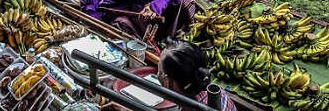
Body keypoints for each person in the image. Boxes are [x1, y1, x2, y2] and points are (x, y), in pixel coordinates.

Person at [102, 41, 237, 111]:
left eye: (159, 71)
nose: (157, 73)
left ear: (166, 80)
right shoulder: (208, 92)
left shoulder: (195, 106)